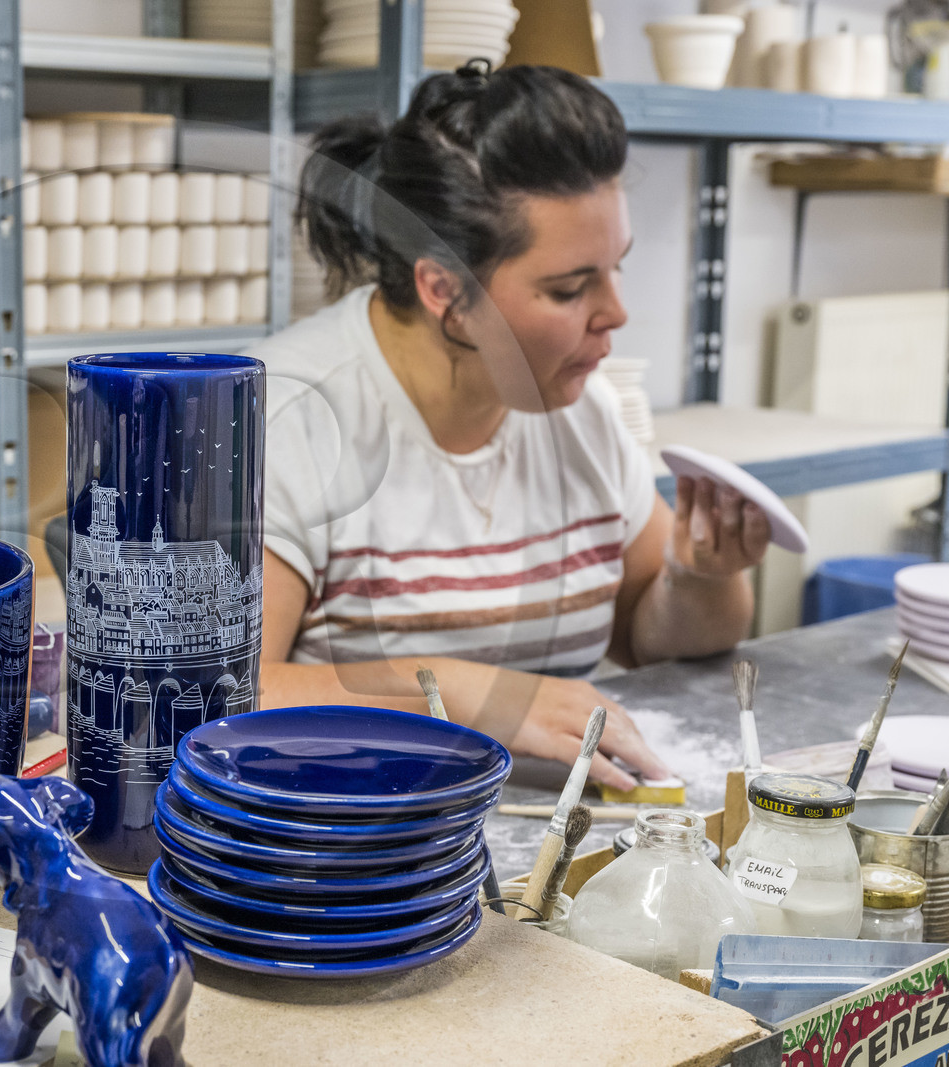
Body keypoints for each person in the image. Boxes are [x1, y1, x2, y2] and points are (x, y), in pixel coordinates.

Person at [253, 63, 770, 790]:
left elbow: (656, 640)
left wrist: (701, 576)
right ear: (445, 291)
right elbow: (219, 698)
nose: (616, 311)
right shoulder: (285, 419)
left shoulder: (575, 409)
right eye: (569, 288)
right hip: (347, 857)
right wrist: (466, 698)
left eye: (615, 268)